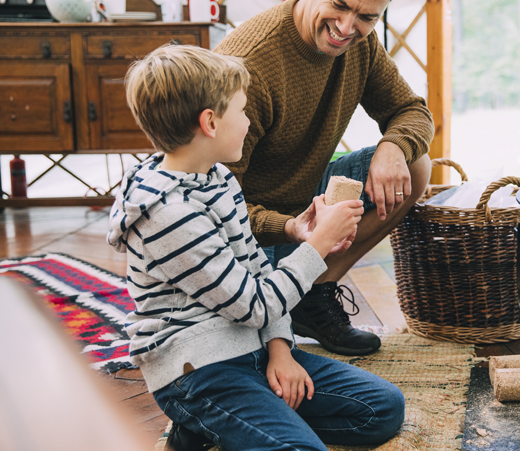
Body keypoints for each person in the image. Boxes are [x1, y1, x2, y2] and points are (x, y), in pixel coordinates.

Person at [107, 45, 405, 451]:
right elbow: (254, 304)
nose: (249, 123)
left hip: (250, 347)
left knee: (383, 409)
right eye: (243, 111)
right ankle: (208, 419)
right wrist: (318, 245)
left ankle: (221, 429)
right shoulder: (165, 214)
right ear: (210, 122)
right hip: (196, 370)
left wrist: (280, 350)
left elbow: (257, 269)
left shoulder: (219, 180)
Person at [215, 0, 435, 356]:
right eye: (339, 4)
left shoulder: (361, 44)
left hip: (307, 203)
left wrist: (393, 147)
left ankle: (314, 292)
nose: (347, 27)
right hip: (247, 234)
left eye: (368, 17)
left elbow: (412, 111)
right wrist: (292, 229)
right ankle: (286, 290)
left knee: (415, 164)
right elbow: (215, 206)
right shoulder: (248, 65)